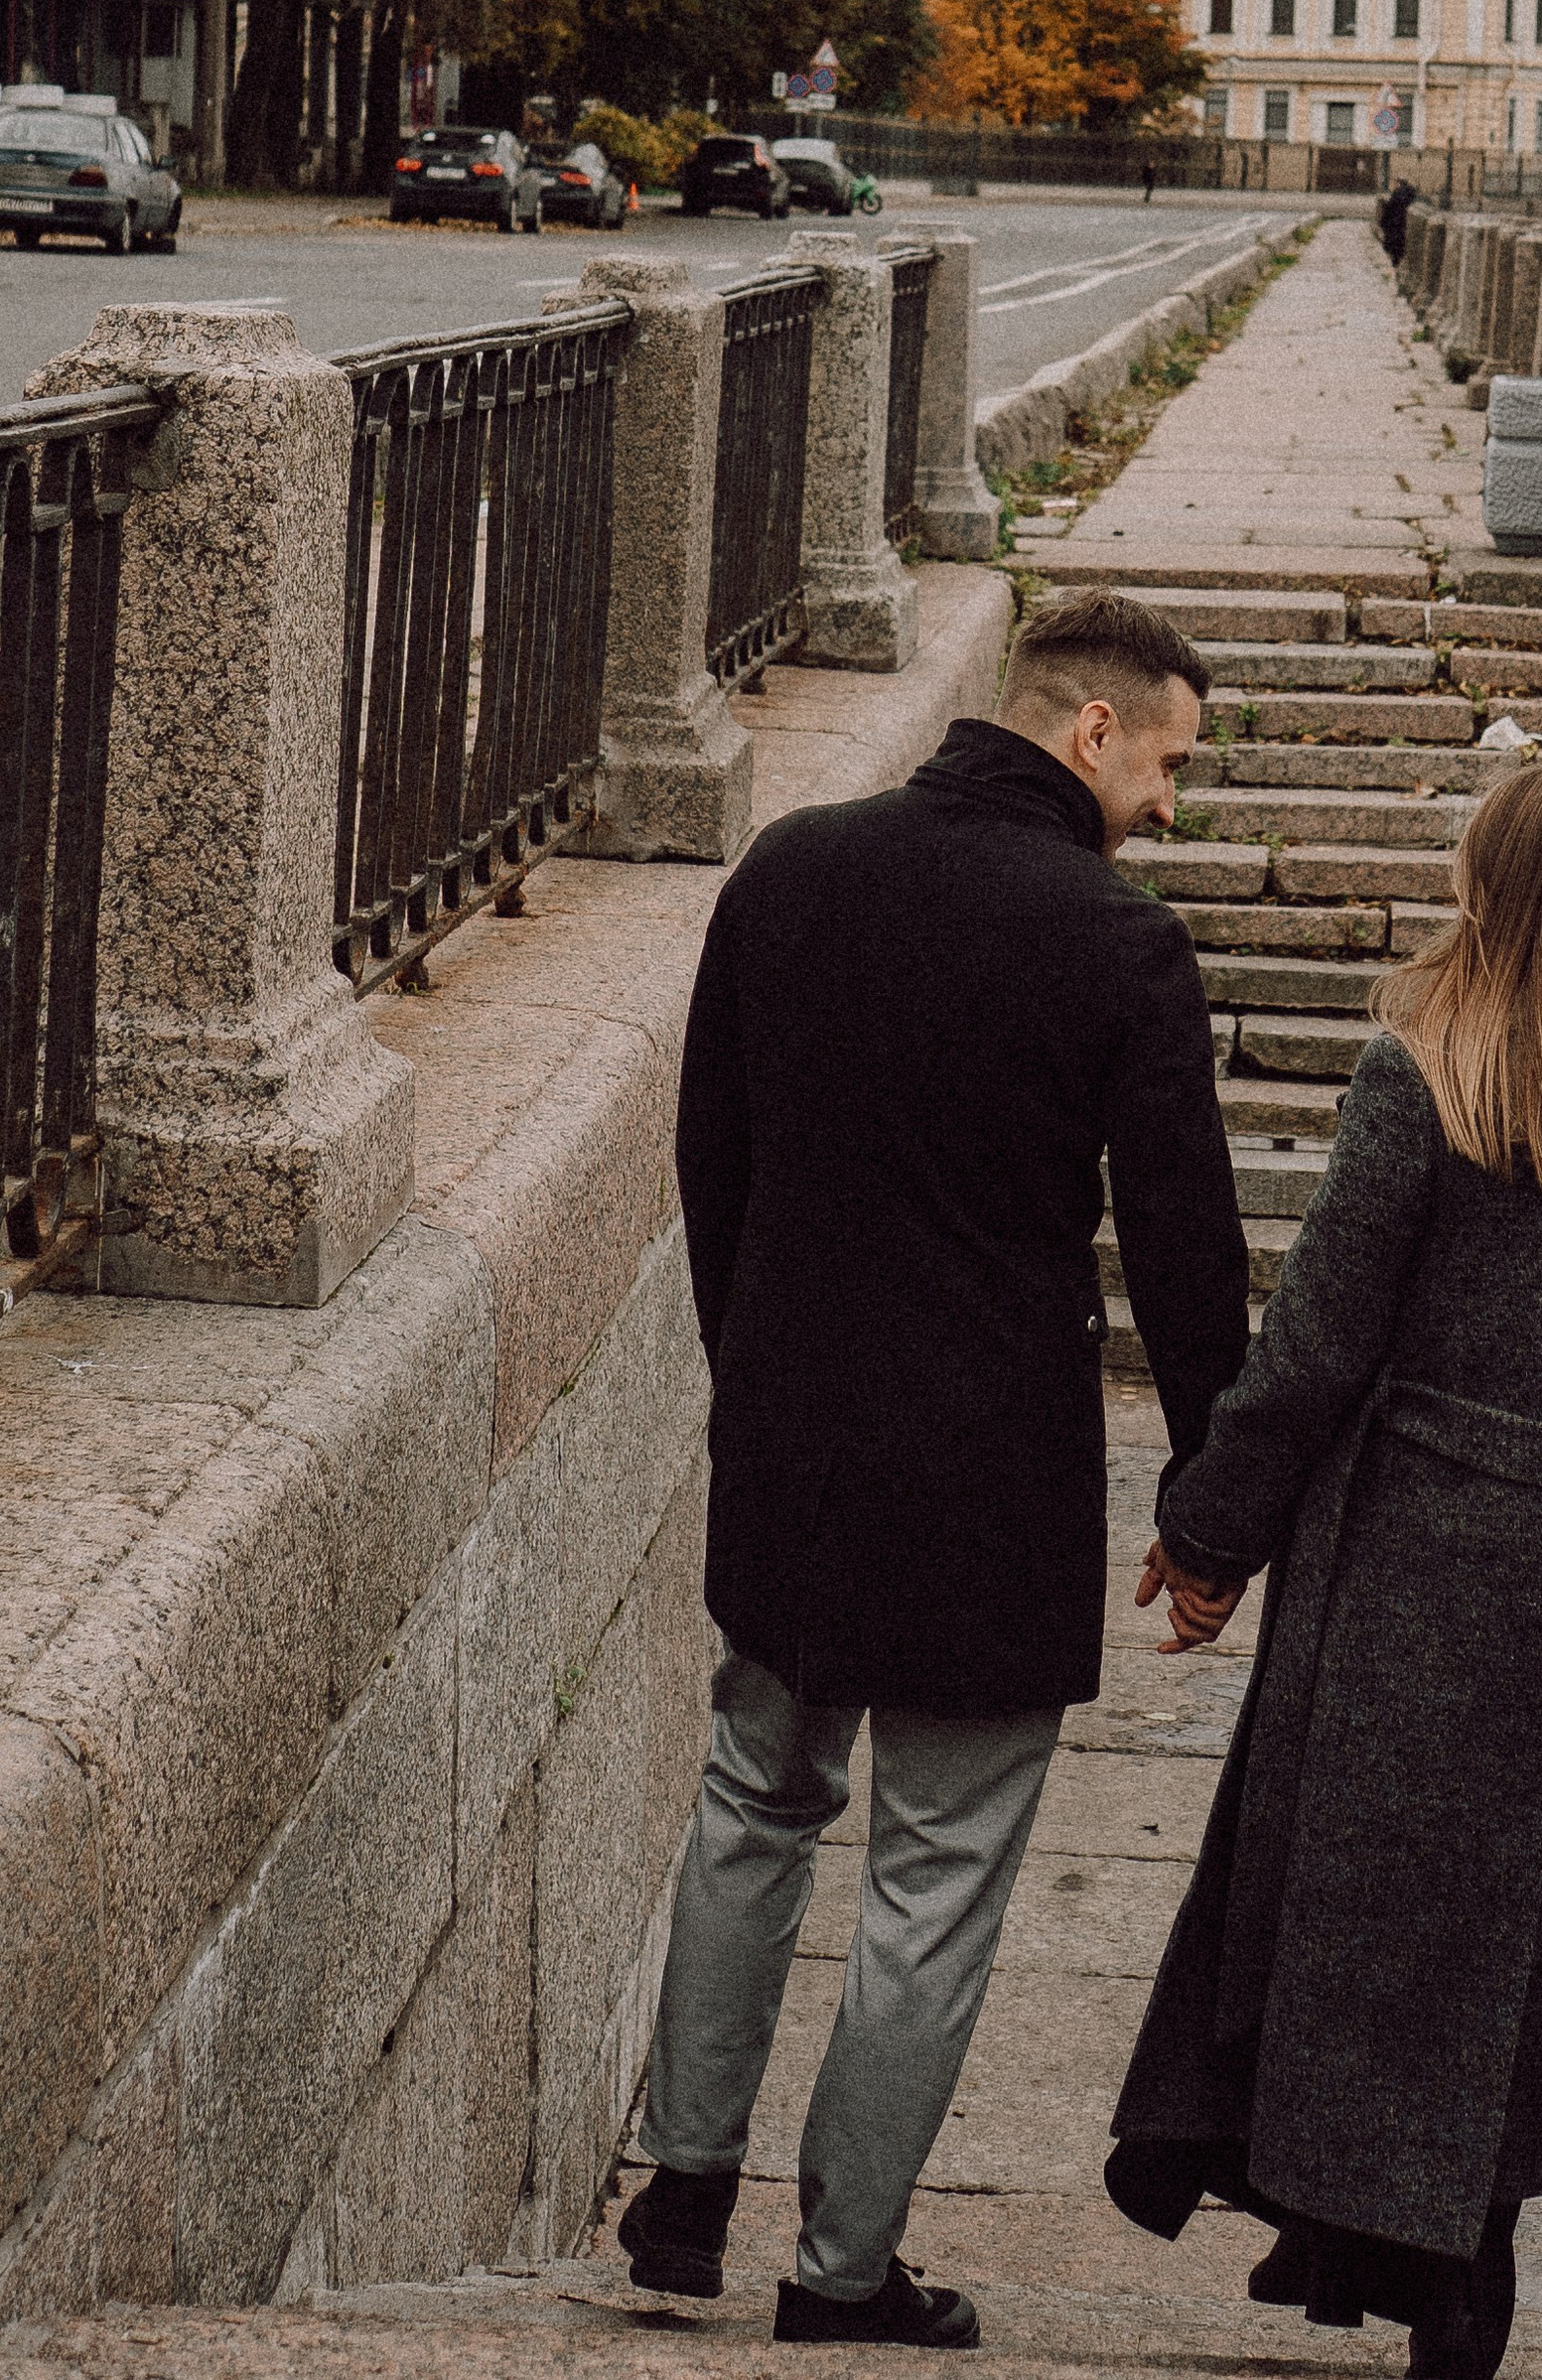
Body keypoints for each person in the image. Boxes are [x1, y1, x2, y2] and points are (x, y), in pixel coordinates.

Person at [620, 592, 1254, 2349]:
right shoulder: (1120, 950)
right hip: (993, 1487)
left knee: (755, 1793)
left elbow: (712, 1158)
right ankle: (839, 2277)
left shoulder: (793, 871)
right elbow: (1189, 1259)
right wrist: (1214, 1506)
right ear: (1090, 733)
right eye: (1169, 766)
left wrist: (751, 1379)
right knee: (935, 1876)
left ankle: (681, 2191)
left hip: (797, 1444)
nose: (1171, 808)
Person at [1105, 756, 1542, 2380]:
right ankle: (1413, 2252)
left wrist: (1207, 1535)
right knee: (1520, 1924)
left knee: (1363, 1905)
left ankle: (1405, 2257)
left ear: (1496, 885)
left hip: (1421, 1545)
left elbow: (1324, 1339)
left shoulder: (1431, 1074)